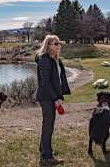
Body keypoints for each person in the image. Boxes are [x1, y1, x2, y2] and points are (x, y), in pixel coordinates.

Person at [35, 35, 71, 165]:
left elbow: (58, 80)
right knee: (48, 126)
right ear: (48, 45)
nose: (59, 45)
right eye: (56, 43)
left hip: (52, 96)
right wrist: (55, 98)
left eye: (59, 43)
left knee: (48, 125)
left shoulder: (55, 59)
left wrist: (60, 95)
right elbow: (45, 83)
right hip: (46, 97)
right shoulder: (44, 60)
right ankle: (46, 156)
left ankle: (43, 149)